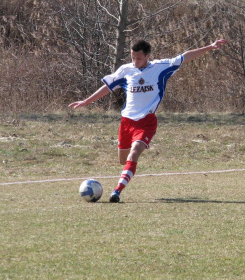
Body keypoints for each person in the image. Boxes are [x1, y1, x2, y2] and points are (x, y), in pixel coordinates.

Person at [69, 39, 227, 202]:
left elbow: (185, 57)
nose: (135, 61)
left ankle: (116, 191)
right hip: (126, 122)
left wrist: (210, 47)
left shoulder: (160, 67)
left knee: (134, 153)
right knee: (123, 160)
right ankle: (126, 174)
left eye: (138, 58)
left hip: (146, 122)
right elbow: (108, 87)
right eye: (132, 58)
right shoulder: (126, 70)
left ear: (148, 56)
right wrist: (86, 101)